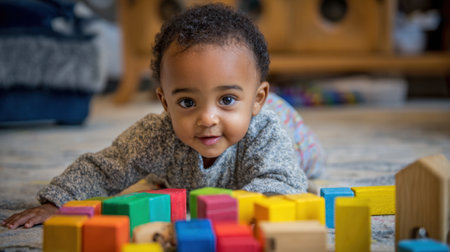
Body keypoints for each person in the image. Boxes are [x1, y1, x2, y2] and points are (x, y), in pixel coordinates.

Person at [2, 3, 324, 229]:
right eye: (187, 102)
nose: (207, 118)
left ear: (256, 100)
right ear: (165, 103)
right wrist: (56, 202)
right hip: (224, 130)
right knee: (151, 169)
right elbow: (104, 168)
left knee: (308, 164)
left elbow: (285, 184)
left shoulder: (266, 131)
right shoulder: (156, 134)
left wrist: (222, 209)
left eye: (226, 99)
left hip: (285, 123)